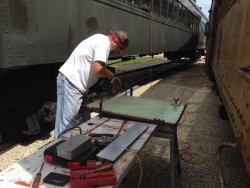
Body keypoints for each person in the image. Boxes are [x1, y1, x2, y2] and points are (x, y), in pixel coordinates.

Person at [54, 30, 129, 139]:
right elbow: (98, 69)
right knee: (68, 125)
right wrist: (112, 76)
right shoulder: (104, 44)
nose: (119, 52)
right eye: (120, 49)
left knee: (84, 123)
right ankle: (61, 151)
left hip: (77, 86)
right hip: (72, 83)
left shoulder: (99, 39)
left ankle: (78, 146)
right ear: (114, 41)